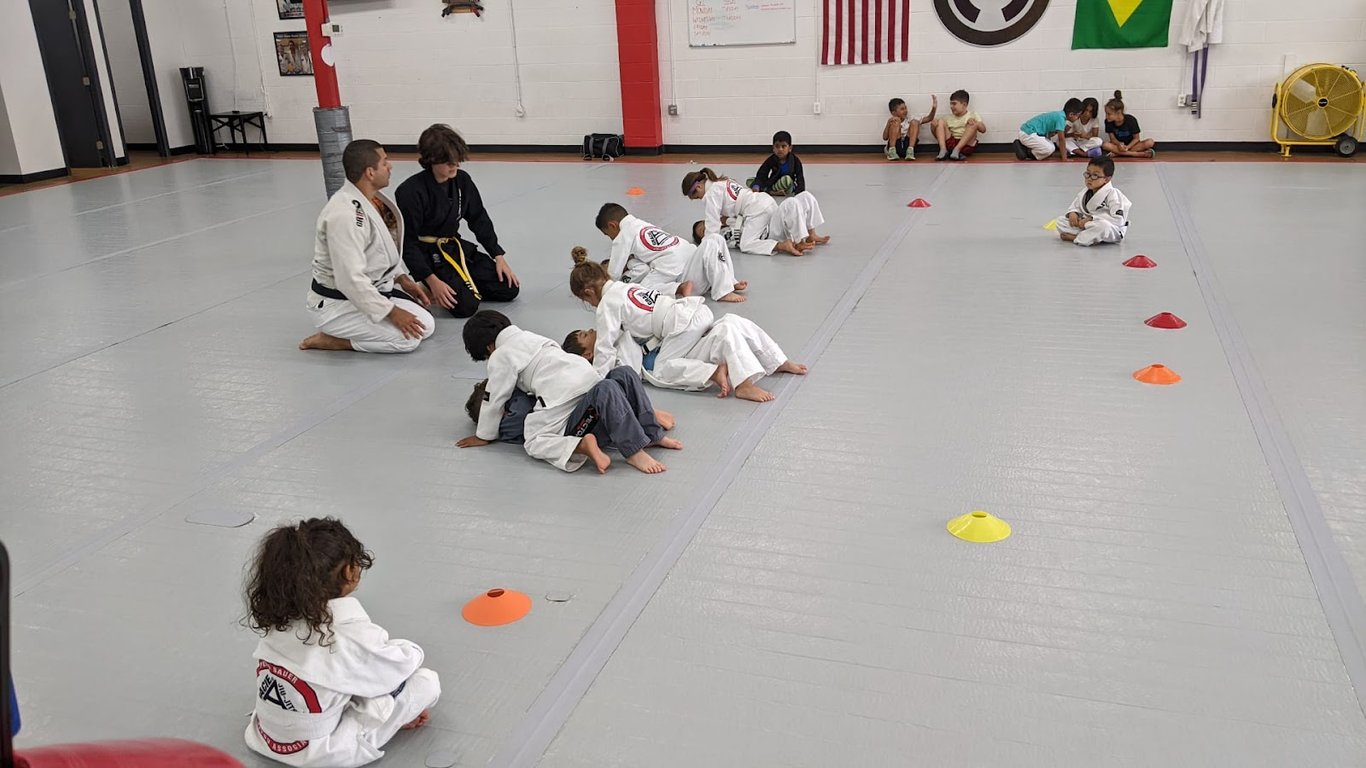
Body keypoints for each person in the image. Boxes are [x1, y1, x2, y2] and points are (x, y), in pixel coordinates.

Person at [244, 517, 440, 767]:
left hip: (265, 736)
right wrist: (409, 650)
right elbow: (399, 667)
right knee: (425, 682)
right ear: (350, 571)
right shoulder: (348, 634)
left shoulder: (279, 619)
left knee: (345, 678)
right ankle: (393, 719)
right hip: (323, 754)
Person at [457, 310, 675, 474]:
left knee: (533, 441)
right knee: (623, 374)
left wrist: (483, 435)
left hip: (563, 399)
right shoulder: (532, 337)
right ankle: (652, 433)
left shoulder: (500, 355)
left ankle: (624, 450)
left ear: (489, 348)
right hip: (589, 380)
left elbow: (494, 397)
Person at [567, 259, 808, 403]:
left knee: (661, 370)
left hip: (679, 325)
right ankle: (778, 360)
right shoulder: (624, 287)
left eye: (587, 301)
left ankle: (729, 379)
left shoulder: (607, 304)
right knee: (729, 324)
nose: (592, 306)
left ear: (588, 293)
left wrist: (595, 383)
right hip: (692, 312)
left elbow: (605, 348)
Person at [299, 140, 435, 354]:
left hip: (368, 292)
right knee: (407, 341)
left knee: (426, 325)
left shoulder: (372, 201)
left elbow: (378, 251)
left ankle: (363, 326)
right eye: (385, 162)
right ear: (370, 172)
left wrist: (401, 278)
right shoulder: (344, 215)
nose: (390, 167)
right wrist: (392, 313)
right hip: (336, 304)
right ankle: (333, 341)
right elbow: (349, 279)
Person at [394, 124, 521, 319]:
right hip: (429, 254)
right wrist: (430, 279)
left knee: (508, 288)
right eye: (447, 161)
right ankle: (430, 286)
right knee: (465, 307)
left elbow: (478, 217)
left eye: (456, 159)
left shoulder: (462, 180)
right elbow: (408, 242)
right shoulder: (410, 191)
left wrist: (498, 255)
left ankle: (461, 284)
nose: (454, 165)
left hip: (454, 247)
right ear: (431, 159)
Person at [464, 368, 679, 462]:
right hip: (572, 429)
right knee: (605, 389)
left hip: (575, 410)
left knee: (624, 373)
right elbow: (519, 417)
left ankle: (652, 433)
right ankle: (633, 450)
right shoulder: (507, 421)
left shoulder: (521, 388)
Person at [592, 204, 746, 302]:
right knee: (714, 239)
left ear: (612, 226)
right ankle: (729, 281)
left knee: (642, 291)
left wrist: (600, 290)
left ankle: (721, 291)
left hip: (682, 275)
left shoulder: (622, 236)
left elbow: (613, 274)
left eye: (608, 234)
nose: (611, 239)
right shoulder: (641, 224)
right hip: (693, 262)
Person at [681, 168, 828, 257]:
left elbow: (712, 226)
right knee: (800, 199)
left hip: (755, 210)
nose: (699, 199)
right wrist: (726, 220)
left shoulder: (710, 194)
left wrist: (703, 249)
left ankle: (793, 243)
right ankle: (811, 232)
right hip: (764, 201)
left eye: (696, 197)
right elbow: (732, 209)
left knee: (746, 244)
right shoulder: (721, 182)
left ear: (698, 187)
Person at [1054, 156, 1132, 246]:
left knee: (1102, 226)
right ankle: (1089, 236)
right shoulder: (1085, 192)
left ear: (1107, 179)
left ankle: (1077, 238)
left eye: (1095, 175)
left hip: (1111, 230)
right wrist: (1073, 214)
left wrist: (1092, 218)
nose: (1089, 178)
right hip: (1088, 225)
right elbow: (1075, 207)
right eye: (1088, 174)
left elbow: (1118, 220)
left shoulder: (1113, 194)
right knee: (1061, 221)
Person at [1014, 98, 1084, 161]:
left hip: (1030, 133)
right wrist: (1064, 158)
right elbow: (1061, 139)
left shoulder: (1059, 115)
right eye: (1078, 116)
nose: (1078, 118)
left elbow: (1049, 133)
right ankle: (1026, 152)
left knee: (1051, 148)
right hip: (1027, 133)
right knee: (1049, 149)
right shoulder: (1061, 119)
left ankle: (1027, 149)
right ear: (1071, 114)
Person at [931, 90, 986, 161]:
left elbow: (983, 130)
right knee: (940, 121)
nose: (951, 106)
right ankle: (943, 150)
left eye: (954, 104)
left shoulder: (973, 115)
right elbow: (938, 135)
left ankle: (957, 150)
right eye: (950, 104)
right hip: (950, 145)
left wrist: (976, 123)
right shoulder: (947, 118)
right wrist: (933, 127)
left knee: (973, 124)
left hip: (966, 145)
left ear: (964, 105)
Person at [749, 131, 806, 196]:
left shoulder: (795, 161)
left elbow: (800, 177)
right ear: (773, 148)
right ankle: (773, 191)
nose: (780, 149)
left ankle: (770, 191)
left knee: (786, 179)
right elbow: (762, 173)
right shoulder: (771, 160)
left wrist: (800, 191)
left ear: (790, 148)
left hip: (787, 184)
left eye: (783, 146)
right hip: (774, 183)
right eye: (777, 146)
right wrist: (757, 185)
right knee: (750, 181)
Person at [1102, 91, 1156, 158]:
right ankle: (1138, 154)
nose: (1106, 116)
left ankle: (1118, 154)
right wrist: (1119, 144)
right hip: (1118, 146)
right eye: (1106, 113)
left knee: (1150, 142)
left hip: (1132, 145)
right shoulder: (1108, 122)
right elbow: (1112, 139)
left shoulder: (1131, 120)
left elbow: (1136, 138)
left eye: (1109, 114)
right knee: (1105, 145)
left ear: (1118, 112)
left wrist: (1127, 147)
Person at [883, 96, 937, 160]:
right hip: (896, 145)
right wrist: (888, 123)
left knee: (914, 122)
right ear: (894, 113)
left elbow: (929, 118)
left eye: (905, 108)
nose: (905, 111)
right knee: (896, 121)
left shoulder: (910, 119)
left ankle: (910, 151)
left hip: (907, 145)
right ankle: (892, 151)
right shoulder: (891, 121)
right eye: (902, 109)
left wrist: (934, 108)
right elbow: (885, 137)